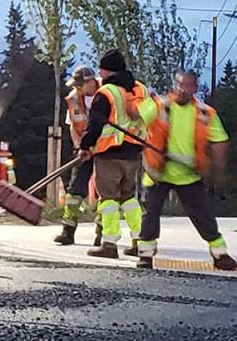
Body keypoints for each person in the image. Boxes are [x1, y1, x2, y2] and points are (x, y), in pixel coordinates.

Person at [134, 71, 235, 270]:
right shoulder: (159, 105)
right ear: (174, 85)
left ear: (195, 88)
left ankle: (220, 254)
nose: (182, 90)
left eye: (187, 86)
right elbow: (135, 120)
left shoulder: (205, 113)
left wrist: (216, 170)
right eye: (179, 85)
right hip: (157, 173)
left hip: (189, 175)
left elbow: (220, 141)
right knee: (150, 214)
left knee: (202, 215)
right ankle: (145, 255)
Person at [78, 49, 147, 259]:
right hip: (134, 152)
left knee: (108, 199)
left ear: (107, 71)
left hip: (109, 152)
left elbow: (95, 124)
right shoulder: (139, 89)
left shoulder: (106, 93)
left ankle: (109, 243)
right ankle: (140, 241)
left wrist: (85, 146)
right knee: (129, 197)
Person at [54, 66, 102, 245]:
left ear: (91, 82)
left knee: (105, 192)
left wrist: (96, 147)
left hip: (106, 149)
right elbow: (74, 127)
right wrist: (80, 147)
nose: (77, 88)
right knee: (75, 189)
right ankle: (68, 230)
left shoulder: (106, 94)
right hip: (84, 150)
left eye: (80, 85)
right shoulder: (74, 99)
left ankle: (102, 233)